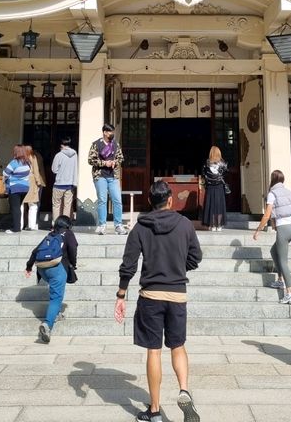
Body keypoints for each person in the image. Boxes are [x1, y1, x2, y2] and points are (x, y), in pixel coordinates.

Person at [115, 180, 202, 422]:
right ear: (171, 200)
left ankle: (154, 410)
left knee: (154, 351)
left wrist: (121, 295)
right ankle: (184, 389)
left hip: (151, 296)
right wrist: (178, 267)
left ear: (150, 202)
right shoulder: (184, 224)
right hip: (177, 294)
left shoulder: (140, 227)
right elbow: (196, 256)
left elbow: (128, 265)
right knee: (178, 345)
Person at [25, 214, 78, 344]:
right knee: (56, 296)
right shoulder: (68, 234)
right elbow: (73, 248)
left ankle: (57, 313)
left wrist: (29, 267)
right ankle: (47, 325)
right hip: (57, 268)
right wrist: (73, 264)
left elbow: (35, 251)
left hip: (42, 268)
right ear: (68, 225)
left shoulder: (50, 234)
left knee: (55, 291)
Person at [253, 170, 291, 304]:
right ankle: (280, 280)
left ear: (272, 180)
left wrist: (258, 230)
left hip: (283, 229)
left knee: (283, 261)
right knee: (274, 251)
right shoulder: (289, 192)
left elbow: (267, 215)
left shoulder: (272, 194)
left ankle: (290, 292)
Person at [88, 123, 127, 235]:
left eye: (113, 132)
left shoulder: (115, 144)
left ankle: (118, 225)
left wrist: (115, 162)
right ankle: (102, 225)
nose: (112, 134)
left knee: (117, 200)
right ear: (104, 132)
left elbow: (120, 157)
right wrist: (104, 163)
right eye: (110, 132)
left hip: (113, 176)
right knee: (102, 200)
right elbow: (91, 160)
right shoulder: (96, 144)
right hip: (100, 176)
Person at [3, 145, 31, 233]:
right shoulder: (27, 162)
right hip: (25, 187)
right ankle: (17, 226)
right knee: (18, 207)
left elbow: (5, 173)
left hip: (14, 187)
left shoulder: (14, 162)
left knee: (14, 208)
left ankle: (16, 228)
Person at [201, 145, 227, 231]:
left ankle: (212, 225)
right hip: (219, 186)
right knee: (219, 205)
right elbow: (225, 174)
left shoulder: (206, 163)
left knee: (211, 205)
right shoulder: (223, 164)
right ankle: (219, 225)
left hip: (210, 187)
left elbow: (203, 175)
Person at [51, 136, 78, 220]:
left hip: (59, 184)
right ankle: (65, 225)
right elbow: (76, 168)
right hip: (70, 184)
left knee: (56, 205)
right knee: (67, 206)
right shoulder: (74, 154)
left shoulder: (58, 155)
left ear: (61, 145)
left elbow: (54, 170)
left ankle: (56, 224)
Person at [23, 145, 46, 230]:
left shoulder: (20, 158)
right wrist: (39, 182)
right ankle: (33, 224)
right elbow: (37, 170)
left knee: (22, 204)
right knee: (34, 204)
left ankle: (22, 224)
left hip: (22, 182)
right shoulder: (35, 157)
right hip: (34, 182)